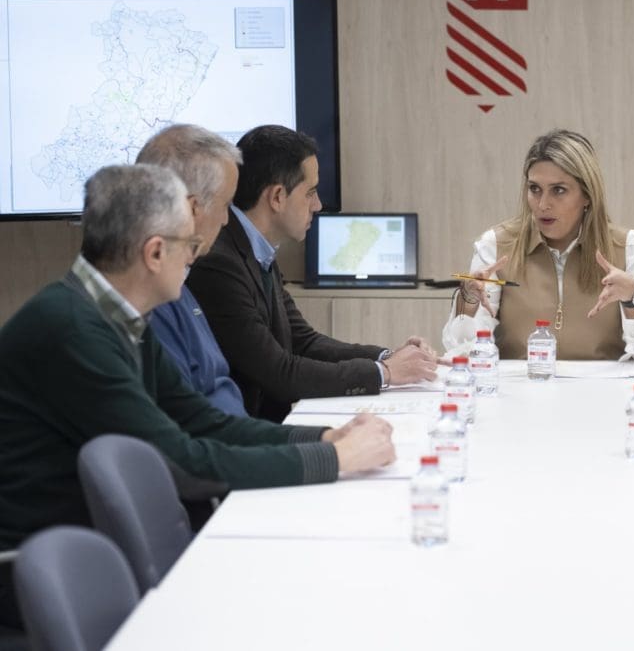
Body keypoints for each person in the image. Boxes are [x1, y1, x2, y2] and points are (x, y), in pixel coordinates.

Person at [0, 165, 396, 629]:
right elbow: (182, 464)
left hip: (96, 545)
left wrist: (325, 438)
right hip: (50, 573)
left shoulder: (117, 316)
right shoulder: (72, 329)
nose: (197, 257)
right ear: (154, 252)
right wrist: (335, 460)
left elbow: (203, 420)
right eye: (190, 246)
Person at [186, 125, 438, 422]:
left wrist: (387, 357)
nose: (318, 205)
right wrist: (384, 373)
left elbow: (303, 341)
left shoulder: (256, 249)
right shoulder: (219, 262)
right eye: (310, 192)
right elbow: (279, 373)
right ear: (277, 197)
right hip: (244, 432)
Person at [441, 129, 634, 360]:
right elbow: (462, 349)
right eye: (534, 189)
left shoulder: (627, 246)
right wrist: (468, 300)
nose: (543, 204)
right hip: (521, 381)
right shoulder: (496, 244)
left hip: (601, 382)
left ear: (587, 194)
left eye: (558, 190)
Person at [137, 124, 248, 415]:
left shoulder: (179, 284)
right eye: (226, 205)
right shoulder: (152, 299)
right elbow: (189, 425)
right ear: (193, 208)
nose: (226, 220)